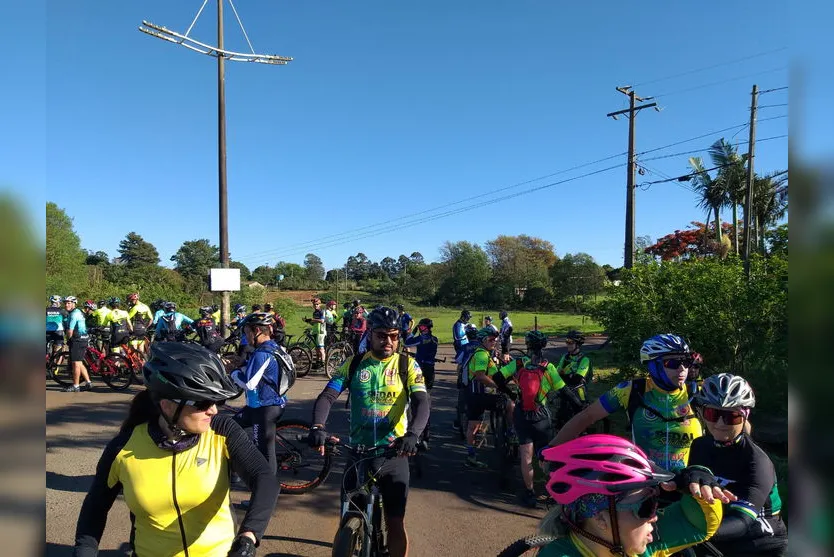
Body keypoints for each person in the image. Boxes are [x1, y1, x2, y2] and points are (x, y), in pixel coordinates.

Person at [72, 342, 279, 557]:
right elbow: (95, 508)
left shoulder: (222, 432)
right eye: (202, 403)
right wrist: (84, 551)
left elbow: (265, 478)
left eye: (217, 400)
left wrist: (248, 536)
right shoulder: (123, 448)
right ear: (168, 406)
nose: (213, 409)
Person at [307, 307, 429, 557]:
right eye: (382, 335)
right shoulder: (354, 365)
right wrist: (318, 426)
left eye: (394, 336)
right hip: (358, 454)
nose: (388, 341)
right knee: (348, 515)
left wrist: (414, 435)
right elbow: (328, 396)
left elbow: (421, 402)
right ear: (370, 334)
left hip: (394, 454)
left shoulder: (408, 365)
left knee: (395, 522)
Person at [532, 434, 732, 557]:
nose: (654, 516)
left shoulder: (633, 543)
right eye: (646, 506)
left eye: (654, 501)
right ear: (600, 517)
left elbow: (699, 523)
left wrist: (696, 476)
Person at [549, 334, 703, 474]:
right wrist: (551, 449)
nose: (682, 368)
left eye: (686, 361)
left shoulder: (700, 393)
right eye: (673, 362)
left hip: (691, 483)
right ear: (653, 365)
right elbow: (587, 416)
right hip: (645, 480)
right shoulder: (631, 390)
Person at [688, 374, 787, 556]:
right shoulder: (700, 445)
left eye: (731, 416)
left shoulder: (757, 462)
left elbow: (742, 521)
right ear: (702, 413)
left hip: (760, 543)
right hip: (720, 532)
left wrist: (691, 533)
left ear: (745, 416)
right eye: (713, 413)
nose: (719, 423)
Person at [493, 330, 581, 507]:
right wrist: (580, 406)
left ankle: (529, 492)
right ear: (544, 346)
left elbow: (497, 377)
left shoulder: (518, 364)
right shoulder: (548, 367)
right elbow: (565, 392)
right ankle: (556, 491)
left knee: (526, 455)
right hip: (541, 415)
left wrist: (511, 393)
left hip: (521, 413)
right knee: (547, 454)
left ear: (528, 346)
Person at [231, 313, 290, 481]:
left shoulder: (261, 353)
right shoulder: (274, 347)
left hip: (265, 407)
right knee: (229, 428)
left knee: (264, 455)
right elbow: (263, 373)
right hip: (262, 405)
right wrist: (242, 364)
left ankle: (266, 494)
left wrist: (233, 372)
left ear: (256, 330)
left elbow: (249, 383)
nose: (245, 336)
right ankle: (235, 469)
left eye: (247, 332)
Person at [462, 327, 516, 468]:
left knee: (474, 424)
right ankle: (511, 432)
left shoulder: (485, 353)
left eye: (495, 340)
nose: (494, 342)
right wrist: (498, 386)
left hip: (474, 394)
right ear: (483, 340)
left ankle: (471, 455)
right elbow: (480, 376)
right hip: (480, 395)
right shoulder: (481, 355)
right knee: (510, 404)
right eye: (491, 340)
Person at [404, 317, 438, 444]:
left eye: (422, 327)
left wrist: (412, 331)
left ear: (426, 328)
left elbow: (407, 343)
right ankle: (426, 432)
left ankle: (416, 431)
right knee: (427, 397)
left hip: (421, 370)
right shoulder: (435, 339)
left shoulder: (422, 338)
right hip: (431, 369)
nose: (420, 328)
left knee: (417, 399)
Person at [62, 296, 93, 393]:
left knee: (75, 363)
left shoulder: (73, 314)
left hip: (77, 340)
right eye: (66, 303)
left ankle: (76, 386)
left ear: (74, 303)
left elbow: (70, 331)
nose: (67, 305)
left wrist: (68, 339)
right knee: (79, 362)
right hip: (83, 339)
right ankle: (88, 382)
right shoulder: (79, 312)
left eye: (69, 303)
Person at [555, 330, 592, 402]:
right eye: (567, 341)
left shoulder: (584, 360)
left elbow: (577, 379)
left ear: (578, 344)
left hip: (578, 395)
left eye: (570, 342)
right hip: (565, 391)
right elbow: (556, 374)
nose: (568, 344)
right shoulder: (565, 357)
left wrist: (564, 376)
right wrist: (570, 376)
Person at [303, 297, 326, 367]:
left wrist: (312, 319)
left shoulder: (321, 311)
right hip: (315, 331)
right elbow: (313, 323)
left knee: (321, 348)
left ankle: (323, 362)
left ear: (320, 304)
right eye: (314, 304)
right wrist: (308, 321)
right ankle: (318, 362)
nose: (315, 306)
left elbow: (322, 321)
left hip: (321, 332)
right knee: (316, 348)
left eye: (317, 304)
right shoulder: (314, 312)